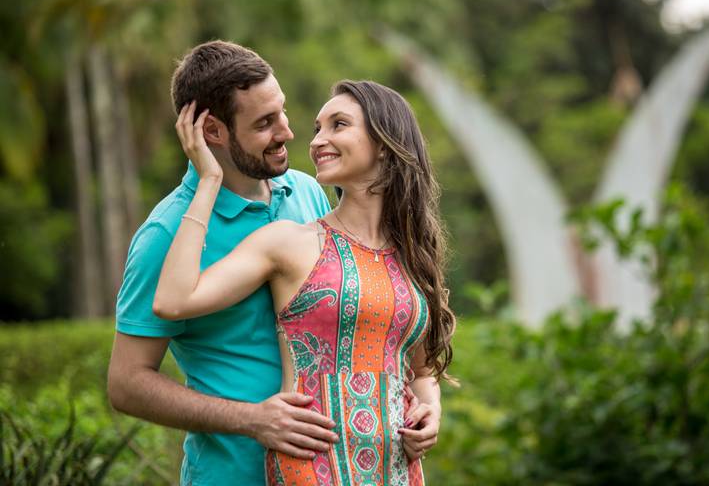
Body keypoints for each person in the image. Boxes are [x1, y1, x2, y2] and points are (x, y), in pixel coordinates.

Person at [153, 79, 455, 485]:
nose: (317, 141)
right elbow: (173, 301)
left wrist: (431, 409)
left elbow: (420, 370)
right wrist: (209, 178)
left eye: (338, 125)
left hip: (397, 472)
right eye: (318, 129)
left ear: (384, 143)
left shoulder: (413, 254)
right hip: (312, 467)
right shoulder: (290, 242)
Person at [107, 40, 340, 486]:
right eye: (265, 123)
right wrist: (252, 419)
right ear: (212, 132)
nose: (287, 133)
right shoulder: (166, 235)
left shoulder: (307, 191)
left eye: (282, 112)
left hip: (322, 473)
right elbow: (126, 383)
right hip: (231, 475)